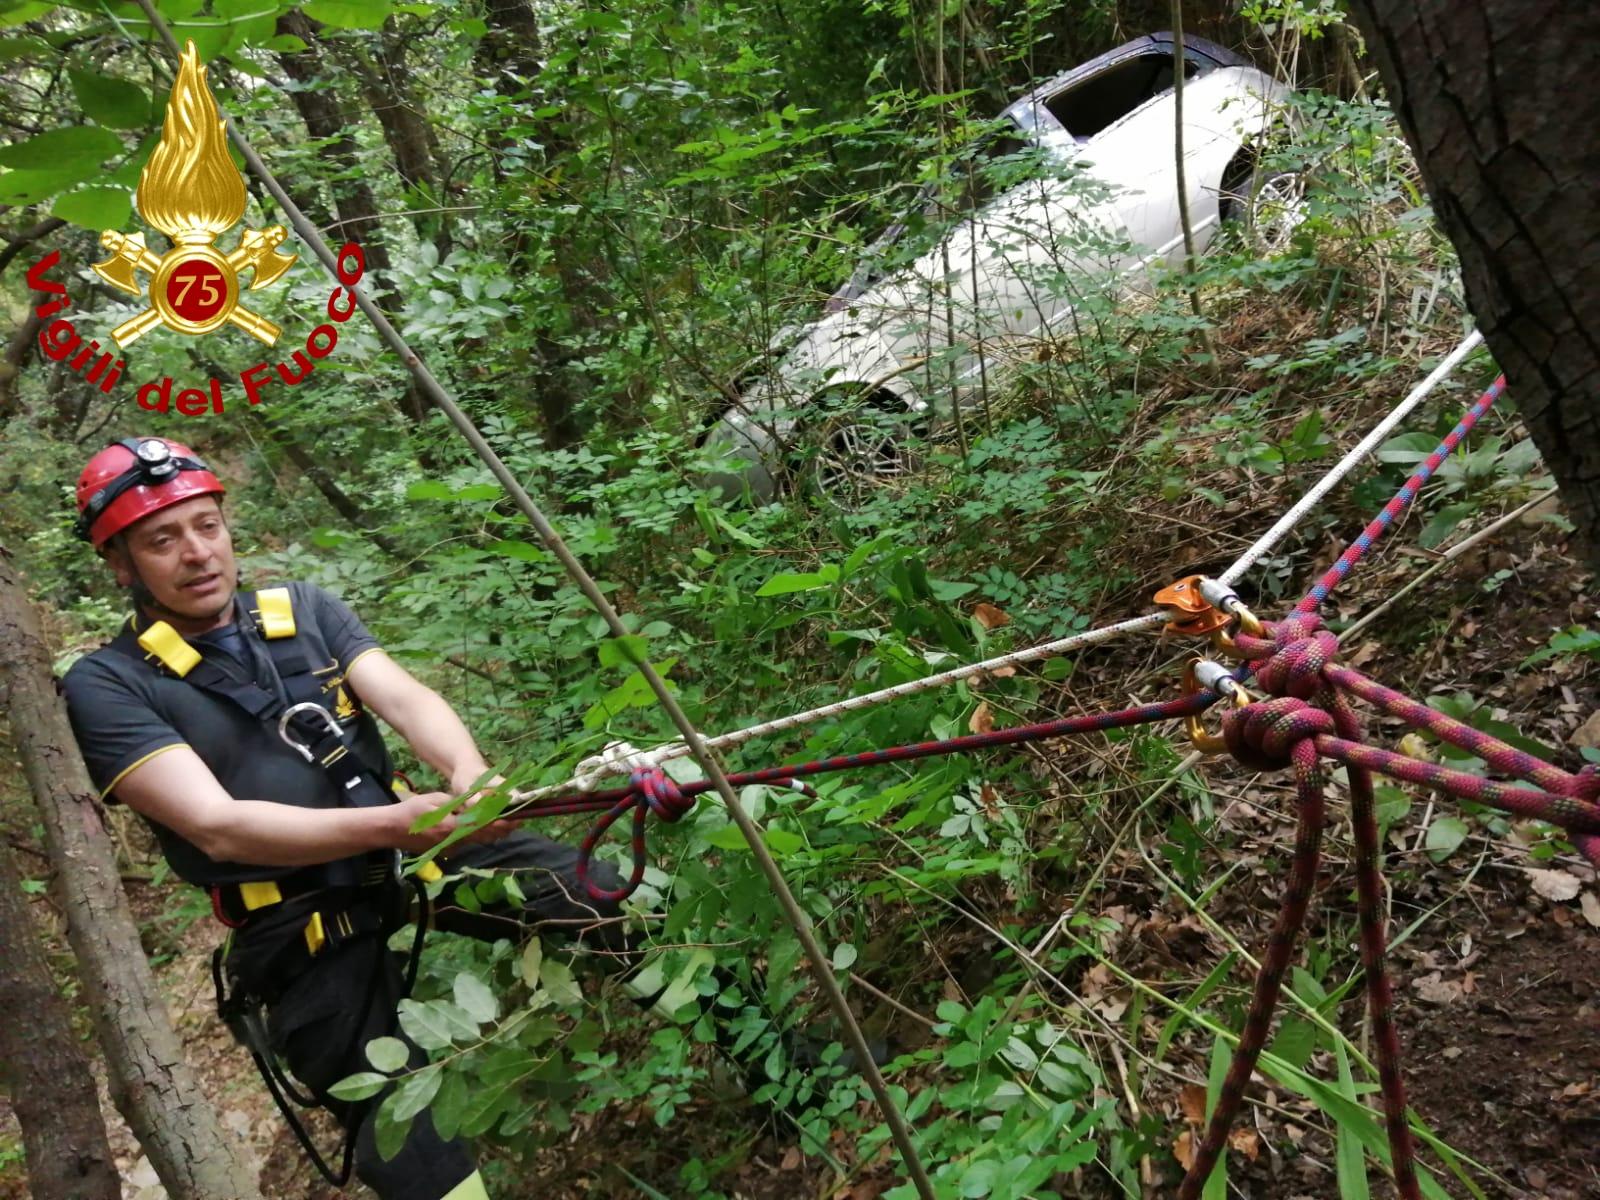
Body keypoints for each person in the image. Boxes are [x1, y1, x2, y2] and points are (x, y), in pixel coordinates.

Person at [61, 436, 668, 1200]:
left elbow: (407, 699)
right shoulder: (108, 685)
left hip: (412, 856)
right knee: (406, 1143)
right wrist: (395, 824)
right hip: (296, 920)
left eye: (207, 525)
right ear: (120, 565)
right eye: (162, 540)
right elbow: (216, 824)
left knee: (612, 899)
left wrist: (469, 776)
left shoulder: (302, 611)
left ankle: (792, 1068)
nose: (196, 553)